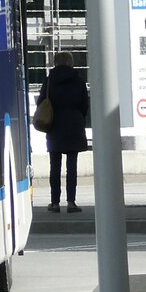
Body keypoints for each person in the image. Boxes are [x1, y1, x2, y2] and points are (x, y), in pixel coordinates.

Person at [36, 49, 90, 213]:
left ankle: (55, 202)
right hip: (74, 125)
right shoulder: (78, 80)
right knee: (71, 166)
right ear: (70, 62)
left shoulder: (50, 81)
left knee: (55, 166)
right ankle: (71, 202)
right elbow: (84, 105)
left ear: (55, 62)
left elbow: (41, 102)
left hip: (55, 126)